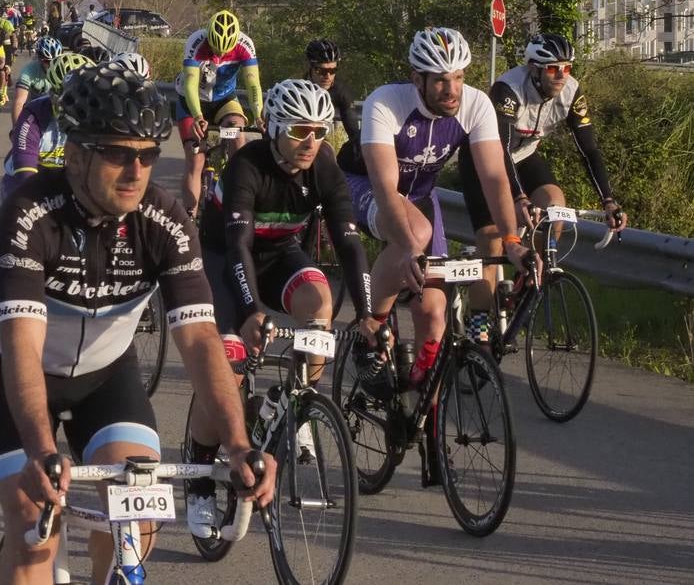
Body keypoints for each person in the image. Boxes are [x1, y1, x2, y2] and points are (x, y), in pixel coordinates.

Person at [0, 62, 276, 582]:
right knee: (33, 527)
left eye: (149, 156)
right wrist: (43, 452)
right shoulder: (28, 214)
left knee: (139, 513)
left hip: (104, 376)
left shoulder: (165, 221)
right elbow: (21, 347)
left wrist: (239, 443)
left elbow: (201, 340)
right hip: (16, 373)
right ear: (73, 154)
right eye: (116, 154)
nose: (136, 172)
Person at [338, 27, 531, 484]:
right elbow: (386, 188)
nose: (451, 89)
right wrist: (405, 247)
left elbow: (495, 179)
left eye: (458, 77)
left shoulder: (475, 104)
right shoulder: (387, 102)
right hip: (364, 189)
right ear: (417, 79)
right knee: (416, 234)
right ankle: (371, 333)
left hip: (422, 199)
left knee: (435, 313)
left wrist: (511, 243)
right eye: (440, 80)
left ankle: (422, 413)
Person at [185, 80, 377, 535]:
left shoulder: (323, 166)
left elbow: (350, 244)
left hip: (280, 254)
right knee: (227, 371)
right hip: (223, 259)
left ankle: (301, 403)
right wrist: (252, 311)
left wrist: (369, 313)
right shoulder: (246, 167)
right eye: (298, 131)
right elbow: (238, 247)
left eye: (319, 131)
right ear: (272, 128)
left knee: (320, 300)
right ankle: (197, 481)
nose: (310, 142)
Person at [457, 33, 626, 340]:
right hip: (484, 160)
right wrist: (519, 196)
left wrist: (609, 201)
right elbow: (502, 150)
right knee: (493, 241)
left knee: (555, 204)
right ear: (534, 69)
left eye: (567, 67)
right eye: (552, 69)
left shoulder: (572, 92)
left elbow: (589, 150)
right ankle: (477, 329)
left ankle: (527, 277)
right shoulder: (507, 90)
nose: (561, 75)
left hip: (526, 156)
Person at [175, 9, 263, 216]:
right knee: (195, 158)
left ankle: (235, 190)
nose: (220, 55)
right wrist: (197, 117)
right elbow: (190, 85)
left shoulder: (245, 45)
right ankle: (190, 218)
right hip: (191, 102)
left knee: (236, 134)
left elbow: (253, 84)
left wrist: (258, 114)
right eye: (215, 49)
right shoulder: (196, 42)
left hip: (224, 100)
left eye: (225, 51)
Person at [0, 52, 93, 198]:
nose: (75, 106)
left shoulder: (96, 115)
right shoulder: (34, 113)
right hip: (26, 181)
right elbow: (25, 173)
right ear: (53, 93)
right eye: (68, 99)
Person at [304, 38, 359, 142]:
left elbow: (354, 133)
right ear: (309, 67)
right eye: (321, 70)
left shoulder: (341, 91)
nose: (328, 76)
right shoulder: (297, 87)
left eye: (333, 70)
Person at [11, 35, 61, 124]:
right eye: (47, 61)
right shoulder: (29, 70)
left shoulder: (65, 68)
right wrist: (16, 128)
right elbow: (19, 101)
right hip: (36, 114)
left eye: (55, 60)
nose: (51, 65)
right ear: (39, 59)